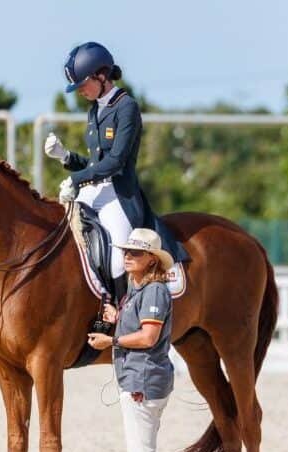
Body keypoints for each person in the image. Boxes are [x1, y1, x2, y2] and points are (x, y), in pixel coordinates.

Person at [43, 41, 187, 302]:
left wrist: (76, 179)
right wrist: (65, 156)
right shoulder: (94, 110)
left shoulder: (126, 107)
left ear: (102, 75)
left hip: (119, 195)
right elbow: (96, 163)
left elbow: (116, 161)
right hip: (94, 190)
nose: (81, 91)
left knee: (117, 260)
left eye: (83, 84)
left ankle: (121, 314)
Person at [86, 228, 175, 452]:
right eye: (126, 251)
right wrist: (118, 315)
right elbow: (138, 324)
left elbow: (148, 337)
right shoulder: (136, 290)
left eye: (135, 252)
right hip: (140, 378)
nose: (127, 256)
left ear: (151, 259)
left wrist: (110, 342)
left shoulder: (154, 291)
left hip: (143, 381)